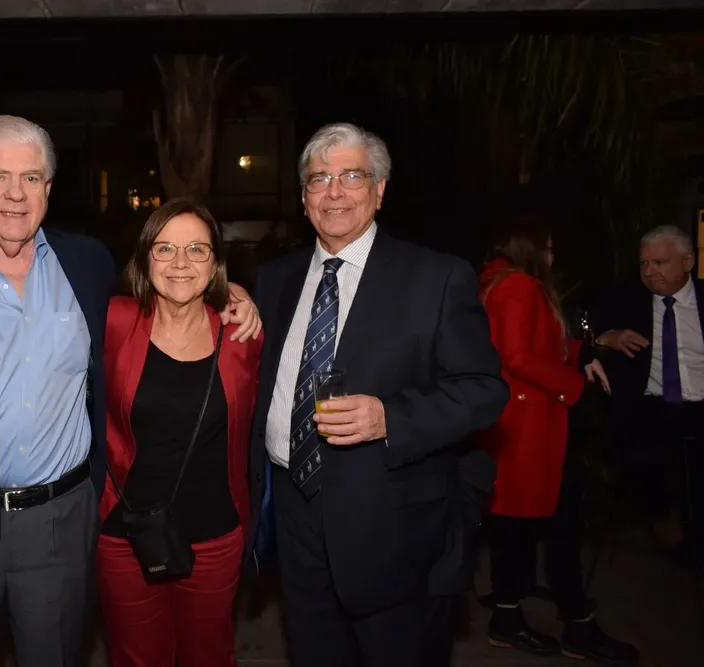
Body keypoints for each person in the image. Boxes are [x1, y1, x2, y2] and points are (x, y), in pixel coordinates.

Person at [0, 115, 260, 667]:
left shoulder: (86, 263)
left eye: (31, 178)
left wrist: (231, 292)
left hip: (63, 522)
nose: (15, 195)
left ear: (49, 189)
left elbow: (166, 292)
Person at [245, 122, 509, 667]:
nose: (334, 191)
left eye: (351, 176)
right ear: (302, 196)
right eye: (319, 179)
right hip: (295, 516)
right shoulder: (275, 279)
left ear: (380, 189)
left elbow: (484, 391)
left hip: (395, 529)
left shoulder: (435, 277)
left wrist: (392, 416)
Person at [96, 198, 264, 667]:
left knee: (208, 657)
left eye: (197, 249)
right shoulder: (113, 321)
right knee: (135, 659)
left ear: (215, 263)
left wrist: (241, 295)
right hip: (125, 535)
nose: (180, 263)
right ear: (145, 257)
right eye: (165, 248)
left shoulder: (242, 336)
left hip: (213, 537)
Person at [476, 216, 638, 664]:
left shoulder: (501, 282)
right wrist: (575, 388)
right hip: (528, 424)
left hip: (521, 422)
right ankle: (569, 625)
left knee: (523, 522)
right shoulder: (519, 286)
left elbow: (538, 345)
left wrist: (580, 353)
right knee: (548, 522)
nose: (552, 255)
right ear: (528, 247)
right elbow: (519, 355)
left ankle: (523, 618)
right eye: (546, 247)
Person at [594, 224, 704, 564]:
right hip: (651, 406)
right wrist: (606, 337)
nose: (649, 272)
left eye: (660, 262)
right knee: (644, 451)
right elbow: (581, 336)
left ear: (688, 261)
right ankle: (664, 519)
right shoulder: (623, 301)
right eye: (644, 263)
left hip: (701, 404)